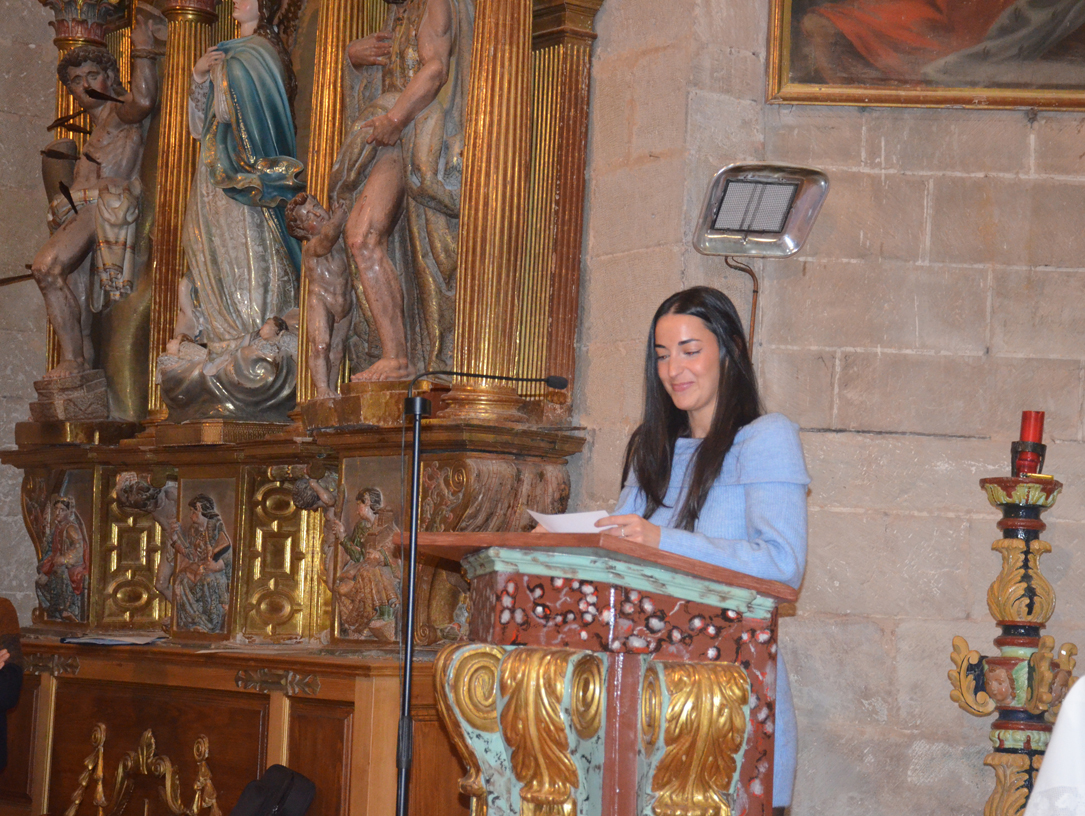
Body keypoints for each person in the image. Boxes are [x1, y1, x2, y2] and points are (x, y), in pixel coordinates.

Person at [597, 286, 810, 812]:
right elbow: (619, 553)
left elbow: (782, 565)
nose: (674, 370)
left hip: (727, 696)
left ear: (729, 349)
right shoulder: (651, 447)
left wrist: (661, 541)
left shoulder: (764, 437)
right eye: (662, 355)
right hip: (644, 699)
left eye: (690, 351)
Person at [328, 0, 471, 381]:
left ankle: (399, 357)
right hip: (391, 134)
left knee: (363, 236)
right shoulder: (398, 12)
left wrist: (395, 118)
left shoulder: (434, 4)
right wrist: (353, 59)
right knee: (359, 237)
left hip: (414, 128)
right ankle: (395, 356)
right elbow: (387, 75)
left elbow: (436, 68)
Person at [173, 0, 304, 367]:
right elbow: (199, 126)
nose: (236, 1)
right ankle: (219, 336)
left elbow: (263, 117)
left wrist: (226, 82)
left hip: (249, 173)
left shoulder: (259, 53)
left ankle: (257, 332)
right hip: (213, 169)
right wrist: (200, 76)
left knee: (249, 248)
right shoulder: (224, 53)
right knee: (210, 245)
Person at [30, 15, 159, 379]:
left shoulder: (116, 112)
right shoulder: (95, 131)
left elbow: (144, 100)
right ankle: (78, 372)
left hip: (100, 209)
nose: (84, 86)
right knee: (77, 302)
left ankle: (73, 361)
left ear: (110, 76)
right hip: (80, 213)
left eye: (92, 75)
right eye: (76, 80)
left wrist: (143, 50)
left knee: (45, 267)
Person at [285, 194, 355, 398]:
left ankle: (331, 390)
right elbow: (327, 239)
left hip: (345, 301)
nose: (317, 214)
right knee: (321, 345)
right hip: (321, 299)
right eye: (309, 217)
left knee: (337, 350)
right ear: (303, 230)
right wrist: (338, 218)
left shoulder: (341, 239)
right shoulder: (313, 247)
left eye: (316, 206)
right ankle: (322, 389)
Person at [169, 494, 233, 633]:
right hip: (201, 569)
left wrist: (216, 566)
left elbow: (228, 554)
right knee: (182, 578)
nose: (190, 515)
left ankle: (210, 624)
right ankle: (193, 621)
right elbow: (192, 555)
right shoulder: (194, 530)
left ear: (199, 509)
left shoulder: (215, 526)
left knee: (207, 579)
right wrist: (174, 540)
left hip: (216, 571)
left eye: (193, 511)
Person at [35, 496, 91, 623]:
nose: (58, 512)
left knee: (59, 573)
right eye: (56, 509)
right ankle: (52, 610)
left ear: (69, 512)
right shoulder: (57, 528)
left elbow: (78, 547)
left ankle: (66, 610)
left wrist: (65, 559)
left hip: (73, 565)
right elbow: (50, 547)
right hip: (57, 562)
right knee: (40, 580)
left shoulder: (71, 528)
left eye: (62, 510)